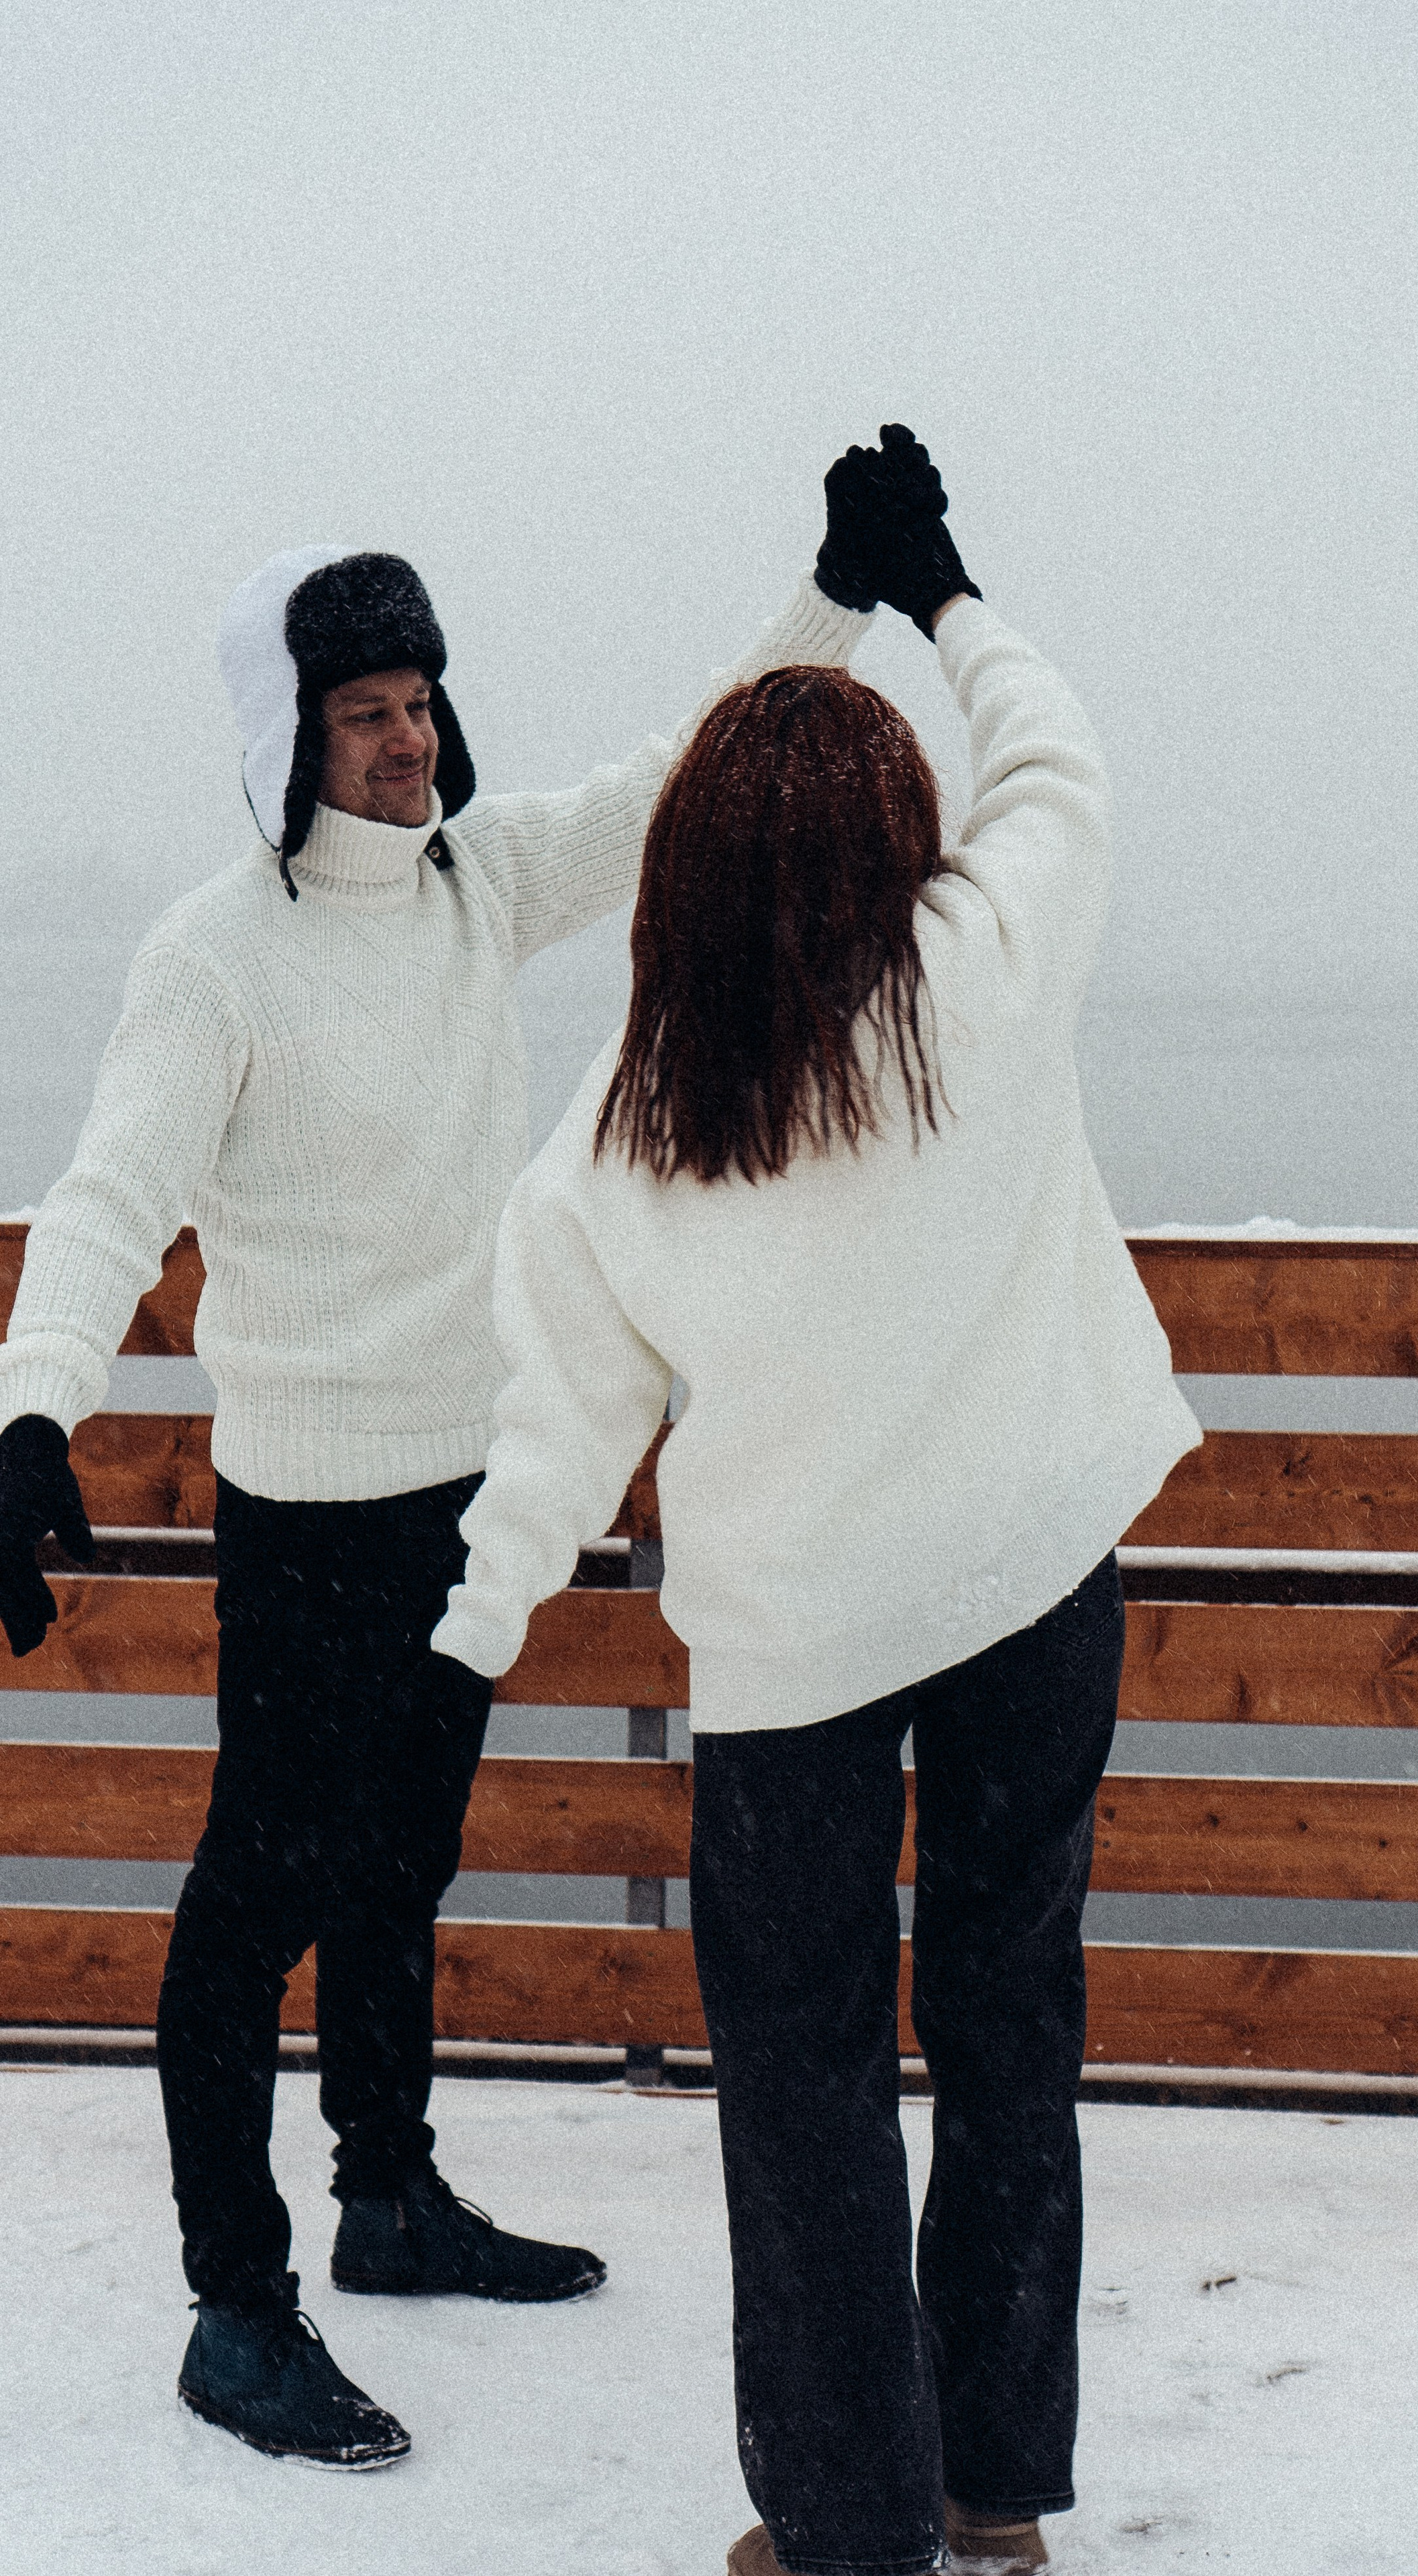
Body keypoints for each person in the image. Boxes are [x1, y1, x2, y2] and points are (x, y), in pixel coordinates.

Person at [0, 533, 873, 2469]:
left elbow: (680, 775)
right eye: (363, 714)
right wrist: (36, 1408)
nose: (405, 744)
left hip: (472, 1492)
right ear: (286, 740)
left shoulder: (479, 889)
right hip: (307, 1515)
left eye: (418, 705)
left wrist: (831, 594)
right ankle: (238, 2303)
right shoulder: (212, 960)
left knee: (403, 1866)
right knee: (258, 1907)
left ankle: (386, 2200)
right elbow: (107, 1198)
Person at [431, 427, 1203, 2575]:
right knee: (1012, 2012)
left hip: (792, 1657)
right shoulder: (984, 977)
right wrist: (942, 598)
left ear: (684, 874)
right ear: (897, 841)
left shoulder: (623, 1130)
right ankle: (994, 2492)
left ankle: (851, 2523)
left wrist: (467, 1641)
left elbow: (557, 1434)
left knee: (798, 2081)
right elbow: (1061, 763)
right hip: (1039, 1577)